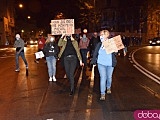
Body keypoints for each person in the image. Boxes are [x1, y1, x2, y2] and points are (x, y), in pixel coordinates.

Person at [90, 30, 117, 100]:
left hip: (110, 63)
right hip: (101, 63)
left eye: (103, 35)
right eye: (101, 35)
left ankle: (108, 87)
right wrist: (93, 62)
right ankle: (102, 94)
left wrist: (116, 51)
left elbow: (115, 53)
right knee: (103, 77)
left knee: (109, 77)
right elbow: (95, 53)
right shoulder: (99, 44)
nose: (101, 36)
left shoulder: (111, 43)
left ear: (107, 36)